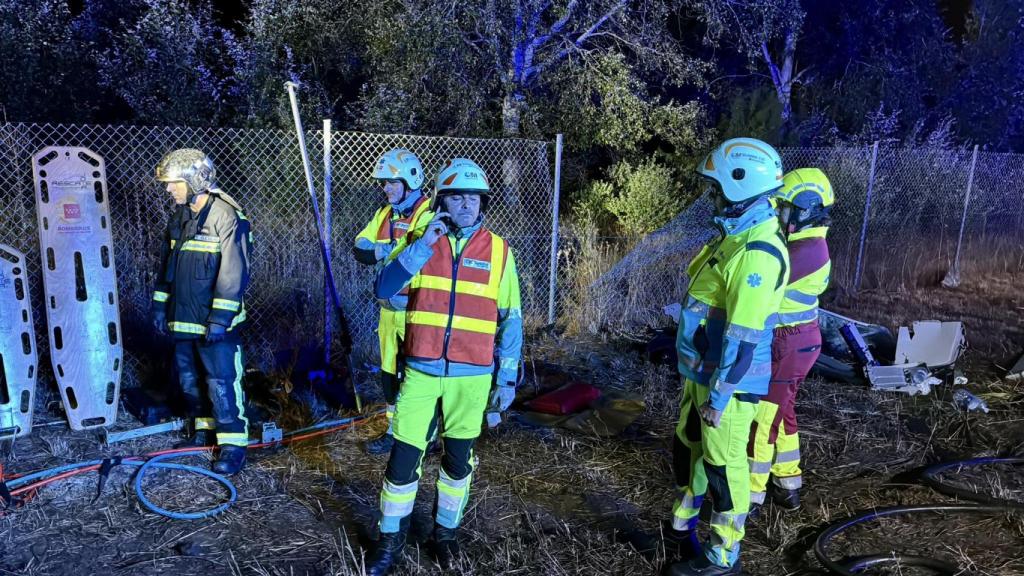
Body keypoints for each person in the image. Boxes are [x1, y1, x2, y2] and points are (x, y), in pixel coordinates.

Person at [366, 158, 523, 575]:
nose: (466, 205)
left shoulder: (500, 251)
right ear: (442, 202)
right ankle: (389, 540)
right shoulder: (419, 241)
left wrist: (507, 380)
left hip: (472, 379)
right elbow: (383, 288)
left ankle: (445, 536)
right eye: (457, 197)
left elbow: (511, 320)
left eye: (474, 198)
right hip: (421, 371)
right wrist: (422, 245)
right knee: (403, 460)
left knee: (457, 463)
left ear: (483, 203)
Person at [666, 138, 789, 575]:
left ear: (741, 185)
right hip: (703, 372)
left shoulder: (757, 253)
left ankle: (723, 555)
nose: (712, 196)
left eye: (716, 188)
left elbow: (743, 335)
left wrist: (719, 397)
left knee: (724, 466)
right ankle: (681, 530)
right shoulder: (737, 236)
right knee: (691, 447)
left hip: (728, 386)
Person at [151, 148, 253, 475]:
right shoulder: (180, 216)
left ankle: (233, 445)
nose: (169, 189)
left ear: (195, 180)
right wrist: (160, 305)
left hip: (214, 325)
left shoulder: (226, 216)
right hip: (183, 319)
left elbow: (234, 273)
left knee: (221, 382)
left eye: (174, 182)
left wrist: (220, 319)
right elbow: (168, 266)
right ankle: (204, 431)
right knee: (190, 379)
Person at [748, 168, 833, 512]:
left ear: (805, 209)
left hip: (790, 342)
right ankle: (787, 484)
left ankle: (750, 494)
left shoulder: (806, 250)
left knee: (763, 417)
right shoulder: (806, 243)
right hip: (796, 340)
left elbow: (760, 281)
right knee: (782, 412)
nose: (778, 215)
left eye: (783, 209)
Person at [353, 148, 432, 455]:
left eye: (391, 182)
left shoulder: (428, 214)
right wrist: (386, 249)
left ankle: (424, 434)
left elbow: (417, 253)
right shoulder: (386, 214)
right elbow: (360, 247)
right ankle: (393, 431)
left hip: (419, 311)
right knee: (389, 376)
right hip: (389, 312)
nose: (385, 188)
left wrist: (384, 250)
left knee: (419, 376)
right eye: (383, 183)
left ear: (411, 181)